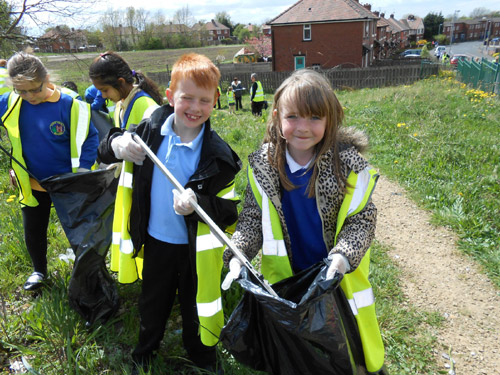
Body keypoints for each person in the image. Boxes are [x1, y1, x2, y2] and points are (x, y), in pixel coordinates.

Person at [222, 69, 387, 374]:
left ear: (330, 120)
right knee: (296, 354)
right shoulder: (264, 166)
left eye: (314, 118)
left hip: (335, 281)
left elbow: (361, 220)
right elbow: (252, 217)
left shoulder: (347, 168)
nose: (303, 128)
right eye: (293, 117)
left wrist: (342, 256)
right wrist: (238, 252)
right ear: (277, 117)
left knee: (344, 352)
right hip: (287, 282)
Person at [98, 53, 241, 374]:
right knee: (153, 301)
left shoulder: (220, 158)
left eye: (204, 100)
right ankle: (145, 352)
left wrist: (198, 205)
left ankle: (202, 354)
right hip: (157, 240)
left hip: (195, 251)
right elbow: (105, 146)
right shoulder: (149, 131)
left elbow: (228, 213)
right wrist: (119, 144)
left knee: (195, 304)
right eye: (186, 98)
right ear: (169, 96)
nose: (195, 108)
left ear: (215, 101)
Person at [0, 52, 99, 291]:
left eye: (35, 89)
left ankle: (86, 273)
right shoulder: (10, 102)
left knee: (77, 230)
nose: (29, 96)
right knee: (33, 229)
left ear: (46, 78)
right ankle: (39, 271)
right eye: (21, 91)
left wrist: (83, 171)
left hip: (68, 183)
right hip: (32, 181)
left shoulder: (69, 106)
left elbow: (90, 138)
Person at [89, 51, 163, 285]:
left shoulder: (146, 106)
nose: (103, 96)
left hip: (146, 185)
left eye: (105, 90)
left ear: (121, 83)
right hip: (130, 181)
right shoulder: (122, 103)